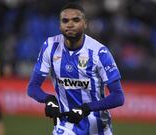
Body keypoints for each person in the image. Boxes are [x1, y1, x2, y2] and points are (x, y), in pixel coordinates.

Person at [27, 3, 125, 135]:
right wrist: (48, 100)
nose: (70, 24)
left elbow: (118, 97)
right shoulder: (50, 47)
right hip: (65, 126)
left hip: (98, 128)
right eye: (65, 21)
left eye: (76, 20)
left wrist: (86, 108)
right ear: (59, 25)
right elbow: (32, 87)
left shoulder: (99, 52)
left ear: (85, 23)